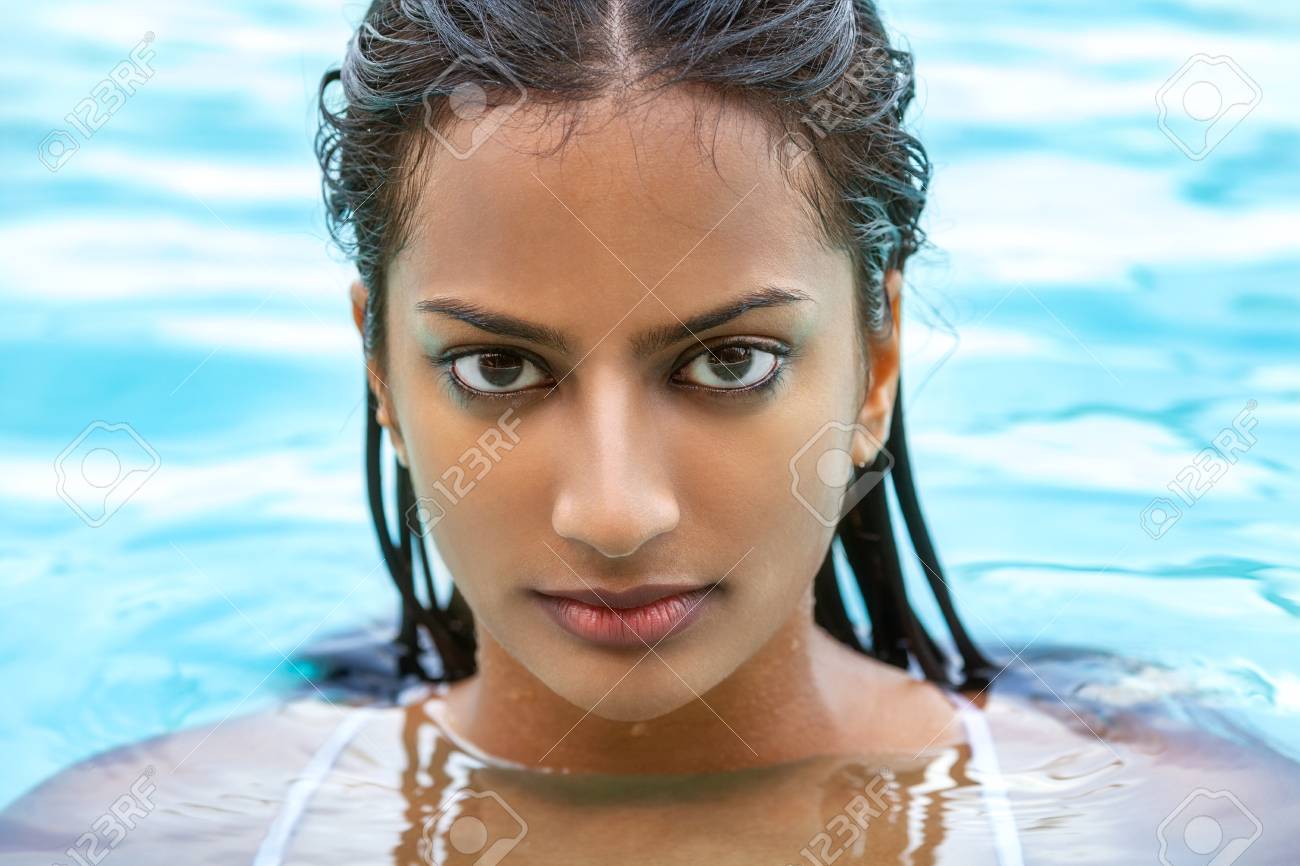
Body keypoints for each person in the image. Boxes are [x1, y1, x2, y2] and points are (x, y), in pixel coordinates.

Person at [4, 2, 1297, 864]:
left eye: (729, 361)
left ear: (876, 359)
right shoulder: (133, 839)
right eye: (498, 367)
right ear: (380, 369)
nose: (615, 514)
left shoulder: (1172, 827)